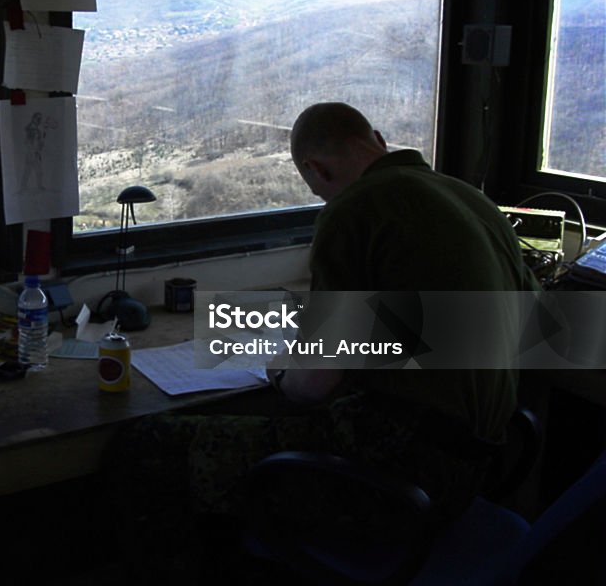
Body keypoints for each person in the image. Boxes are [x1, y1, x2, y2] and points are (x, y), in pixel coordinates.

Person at [103, 102, 538, 581]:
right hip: (472, 468)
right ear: (376, 137)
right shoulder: (473, 202)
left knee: (145, 445)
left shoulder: (357, 209)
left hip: (395, 477)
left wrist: (283, 371)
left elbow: (315, 385)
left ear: (315, 168)